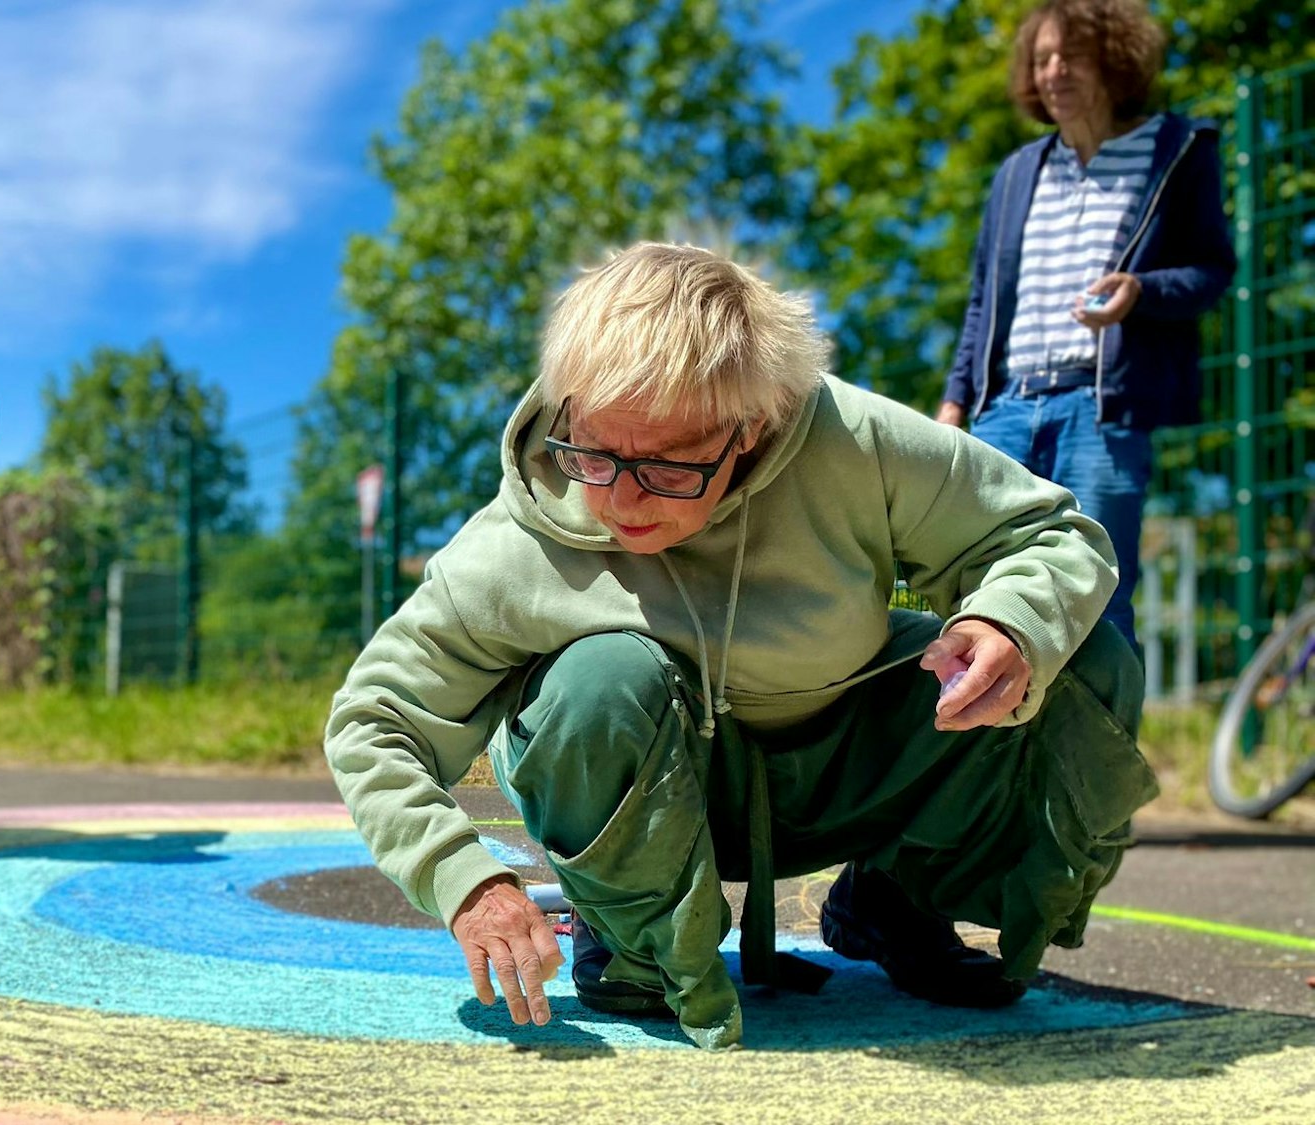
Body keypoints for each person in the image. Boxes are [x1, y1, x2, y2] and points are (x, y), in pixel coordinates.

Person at [325, 242, 1158, 1050]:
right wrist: (462, 877)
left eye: (668, 467)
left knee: (1079, 654)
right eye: (596, 453)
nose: (620, 499)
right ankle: (636, 942)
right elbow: (374, 718)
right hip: (653, 798)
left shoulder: (852, 439)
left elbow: (1049, 535)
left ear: (754, 425)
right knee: (600, 676)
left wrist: (1008, 621)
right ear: (568, 408)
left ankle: (901, 899)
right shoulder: (515, 541)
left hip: (848, 765)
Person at [938, 0, 1234, 648]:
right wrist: (955, 403)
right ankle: (1004, 749)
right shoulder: (1018, 173)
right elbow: (983, 304)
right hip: (1004, 412)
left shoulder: (1175, 151)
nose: (1054, 71)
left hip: (1101, 412)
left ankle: (1106, 750)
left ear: (1116, 59)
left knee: (1094, 600)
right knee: (984, 595)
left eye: (1071, 55)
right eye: (1042, 58)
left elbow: (1212, 269)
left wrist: (1142, 290)